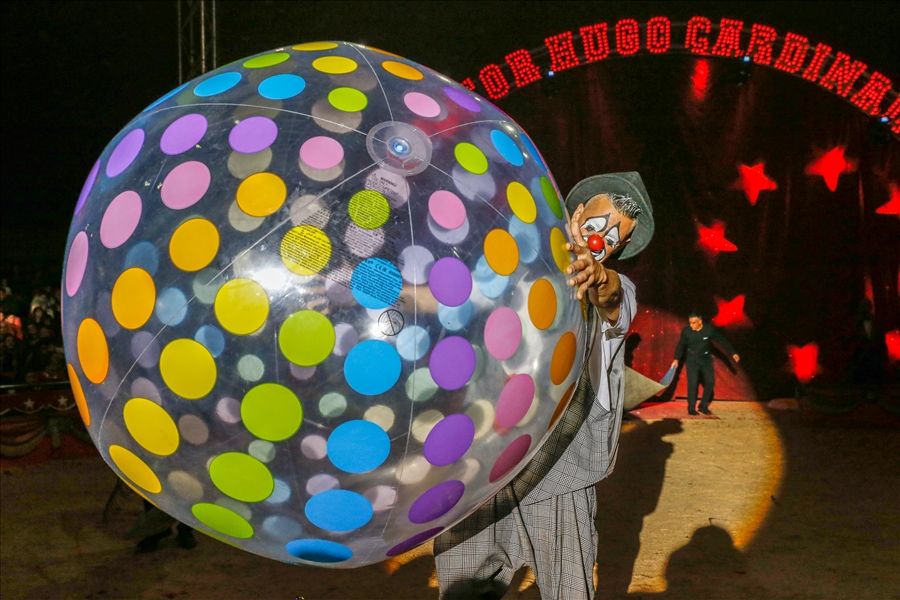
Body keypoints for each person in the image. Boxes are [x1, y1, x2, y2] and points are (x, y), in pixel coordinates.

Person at [434, 172, 655, 599]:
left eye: (612, 238)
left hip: (560, 472)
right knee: (462, 589)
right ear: (576, 213)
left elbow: (612, 300)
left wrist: (599, 279)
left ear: (621, 247)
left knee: (568, 592)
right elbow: (451, 304)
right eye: (595, 225)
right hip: (483, 467)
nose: (598, 240)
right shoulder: (510, 270)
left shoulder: (619, 289)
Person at [670, 313, 739, 415]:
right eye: (690, 323)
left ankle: (703, 406)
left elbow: (722, 340)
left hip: (706, 360)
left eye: (694, 323)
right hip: (692, 360)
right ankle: (691, 408)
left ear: (700, 322)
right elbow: (680, 345)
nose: (691, 325)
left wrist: (733, 352)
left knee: (710, 382)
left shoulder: (708, 330)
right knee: (693, 384)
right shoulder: (686, 331)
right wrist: (676, 359)